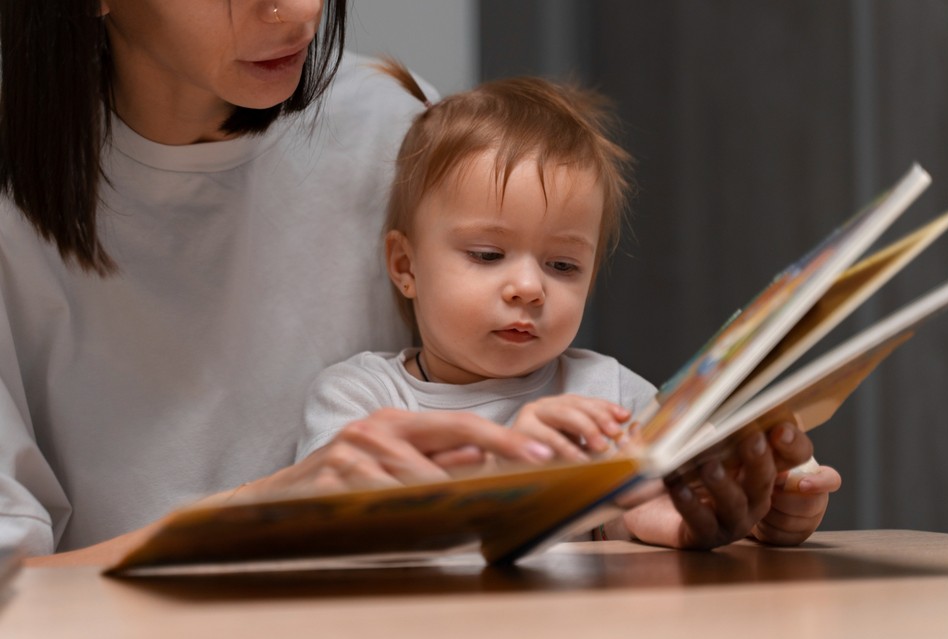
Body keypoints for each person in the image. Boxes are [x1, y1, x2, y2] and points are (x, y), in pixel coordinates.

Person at [0, 0, 830, 565]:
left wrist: (721, 501)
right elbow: (18, 590)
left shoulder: (396, 128)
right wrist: (276, 508)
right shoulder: (18, 209)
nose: (295, 10)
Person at [301, 60, 842, 549]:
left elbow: (639, 511)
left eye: (562, 266)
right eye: (489, 254)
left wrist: (755, 505)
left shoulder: (611, 395)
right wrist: (507, 461)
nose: (529, 288)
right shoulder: (362, 398)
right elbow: (333, 529)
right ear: (405, 266)